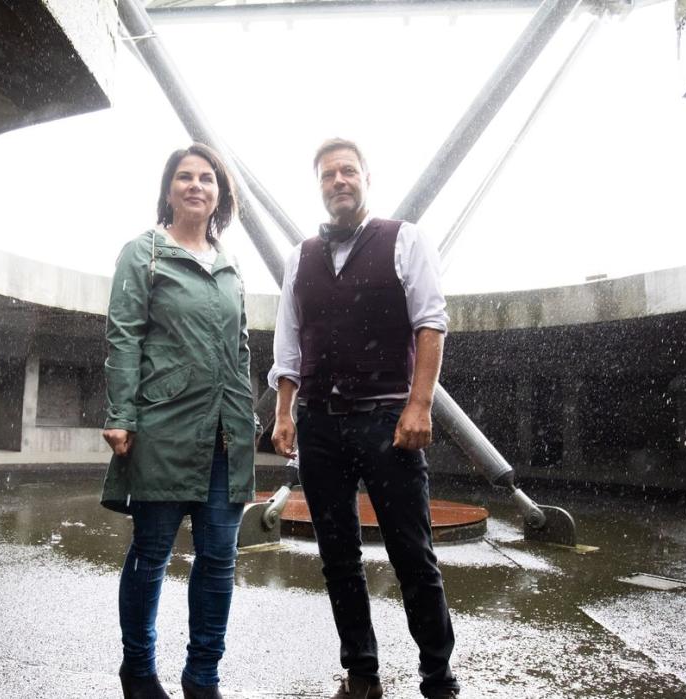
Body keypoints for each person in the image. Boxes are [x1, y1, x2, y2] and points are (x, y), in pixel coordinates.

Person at [269, 138, 460, 699]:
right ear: (320, 186)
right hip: (319, 424)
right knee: (338, 559)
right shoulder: (298, 255)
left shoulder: (404, 239)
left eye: (348, 171)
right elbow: (288, 340)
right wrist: (284, 412)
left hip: (386, 421)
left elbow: (431, 323)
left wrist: (419, 404)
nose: (339, 181)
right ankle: (362, 673)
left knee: (412, 554)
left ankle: (437, 676)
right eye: (328, 175)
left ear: (367, 178)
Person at [101, 143, 256, 699]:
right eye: (185, 177)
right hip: (162, 426)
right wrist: (121, 413)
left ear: (220, 194)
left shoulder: (230, 263)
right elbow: (124, 335)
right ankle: (138, 670)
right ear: (169, 190)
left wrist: (248, 413)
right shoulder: (143, 253)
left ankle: (202, 676)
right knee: (151, 554)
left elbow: (239, 349)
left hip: (225, 434)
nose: (196, 185)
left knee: (218, 559)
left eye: (207, 178)